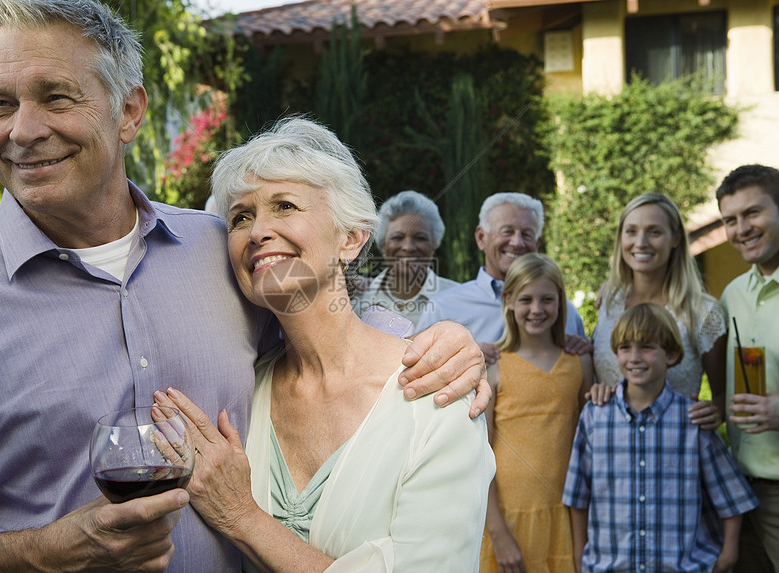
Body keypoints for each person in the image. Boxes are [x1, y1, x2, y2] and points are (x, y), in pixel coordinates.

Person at [0, 1, 488, 571]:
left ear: (129, 111)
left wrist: (441, 346)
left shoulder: (217, 252)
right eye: (0, 104)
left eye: (56, 96)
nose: (23, 129)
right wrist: (35, 554)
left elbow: (322, 322)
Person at [158, 117, 496, 571]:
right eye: (241, 216)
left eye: (285, 206)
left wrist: (243, 518)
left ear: (352, 238)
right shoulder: (240, 390)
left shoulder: (436, 392)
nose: (258, 231)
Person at [562, 303, 757, 573]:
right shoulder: (595, 417)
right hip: (609, 566)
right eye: (625, 348)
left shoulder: (693, 420)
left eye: (647, 347)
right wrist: (579, 558)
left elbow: (732, 495)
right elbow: (577, 497)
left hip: (683, 566)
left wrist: (728, 556)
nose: (635, 358)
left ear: (672, 355)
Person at [480, 253, 592, 573]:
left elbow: (588, 443)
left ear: (561, 302)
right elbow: (480, 454)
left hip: (567, 519)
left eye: (548, 299)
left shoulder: (579, 363)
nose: (537, 309)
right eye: (526, 299)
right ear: (509, 300)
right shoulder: (494, 368)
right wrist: (498, 533)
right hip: (507, 520)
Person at [590, 193, 725, 429]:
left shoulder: (703, 312)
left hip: (672, 447)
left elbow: (724, 395)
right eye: (631, 231)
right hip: (611, 448)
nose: (640, 242)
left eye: (654, 232)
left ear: (675, 239)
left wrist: (715, 411)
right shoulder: (608, 302)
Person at [416, 192, 586, 345]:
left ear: (538, 243)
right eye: (507, 232)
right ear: (481, 238)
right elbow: (414, 374)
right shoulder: (444, 309)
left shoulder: (564, 312)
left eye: (527, 234)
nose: (517, 243)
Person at [715, 164, 779, 571]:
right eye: (730, 220)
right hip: (739, 490)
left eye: (753, 213)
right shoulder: (733, 294)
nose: (742, 228)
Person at [352, 190, 459, 327]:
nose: (408, 247)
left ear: (434, 244)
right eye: (397, 237)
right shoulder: (357, 300)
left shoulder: (459, 298)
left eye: (420, 238)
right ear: (383, 244)